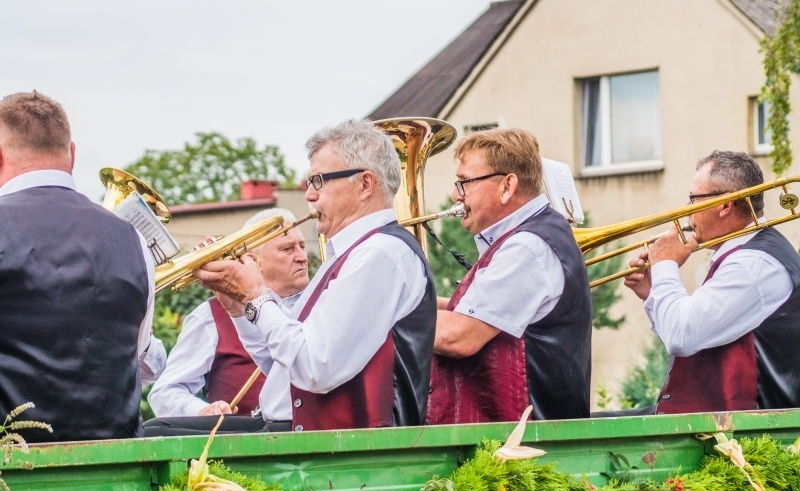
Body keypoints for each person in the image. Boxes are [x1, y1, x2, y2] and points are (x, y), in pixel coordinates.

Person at [193, 119, 436, 432]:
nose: (309, 195)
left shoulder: (379, 254)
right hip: (304, 432)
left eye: (318, 181)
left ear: (364, 184)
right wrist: (238, 307)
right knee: (158, 430)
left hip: (339, 448)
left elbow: (315, 368)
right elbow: (285, 366)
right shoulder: (351, 253)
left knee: (157, 440)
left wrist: (257, 296)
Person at [0, 90, 164, 442]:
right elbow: (139, 359)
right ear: (72, 154)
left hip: (12, 471)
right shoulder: (133, 238)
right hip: (118, 470)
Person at [426, 127, 593, 425]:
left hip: (527, 442)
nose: (455, 194)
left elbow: (459, 336)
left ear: (507, 186)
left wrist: (381, 315)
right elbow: (464, 314)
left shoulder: (527, 247)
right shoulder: (528, 238)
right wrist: (409, 302)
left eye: (465, 182)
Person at [623, 150, 800, 414]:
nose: (686, 210)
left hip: (743, 429)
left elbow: (682, 337)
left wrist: (665, 265)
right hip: (716, 417)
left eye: (694, 199)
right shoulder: (744, 255)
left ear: (725, 205)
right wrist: (654, 293)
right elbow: (694, 337)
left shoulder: (752, 264)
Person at [144, 208, 309, 435]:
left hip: (312, 434)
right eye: (287, 248)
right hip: (236, 452)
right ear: (252, 259)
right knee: (154, 430)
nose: (302, 256)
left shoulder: (320, 302)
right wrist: (202, 411)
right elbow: (165, 391)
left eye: (302, 245)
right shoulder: (210, 315)